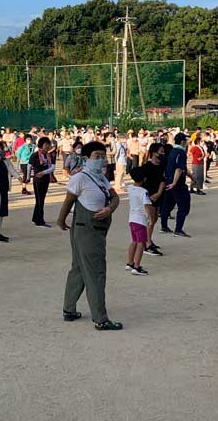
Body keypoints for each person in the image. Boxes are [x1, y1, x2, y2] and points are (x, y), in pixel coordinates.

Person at [56, 141, 123, 331]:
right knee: (96, 273)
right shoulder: (80, 178)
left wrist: (110, 209)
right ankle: (100, 319)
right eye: (96, 156)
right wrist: (61, 220)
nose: (101, 160)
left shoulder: (100, 177)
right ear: (85, 158)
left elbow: (115, 197)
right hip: (86, 229)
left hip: (94, 229)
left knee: (79, 268)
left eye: (103, 156)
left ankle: (69, 309)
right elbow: (68, 201)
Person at [160, 133, 192, 238]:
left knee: (167, 204)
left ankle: (164, 226)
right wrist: (174, 182)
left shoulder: (172, 151)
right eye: (186, 141)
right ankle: (178, 229)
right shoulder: (181, 152)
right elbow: (179, 169)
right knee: (184, 205)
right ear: (182, 142)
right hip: (177, 183)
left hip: (168, 180)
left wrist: (192, 177)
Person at [125, 166, 152, 276]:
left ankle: (130, 262)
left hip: (132, 218)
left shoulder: (130, 188)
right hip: (140, 220)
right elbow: (146, 205)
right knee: (141, 243)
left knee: (134, 241)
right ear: (144, 178)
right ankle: (137, 266)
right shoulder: (144, 192)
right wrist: (150, 217)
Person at [141, 144, 165, 256]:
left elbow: (162, 180)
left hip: (158, 195)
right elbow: (141, 182)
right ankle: (147, 244)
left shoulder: (161, 165)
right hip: (148, 196)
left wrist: (159, 193)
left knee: (154, 219)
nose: (163, 154)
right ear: (154, 153)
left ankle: (148, 239)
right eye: (161, 151)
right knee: (150, 220)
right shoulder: (147, 166)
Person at [29, 137, 54, 228]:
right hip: (38, 180)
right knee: (39, 200)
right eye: (45, 145)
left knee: (41, 199)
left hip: (45, 179)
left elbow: (52, 167)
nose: (47, 146)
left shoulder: (49, 155)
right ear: (41, 145)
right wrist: (28, 177)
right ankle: (40, 220)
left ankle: (36, 218)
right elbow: (29, 166)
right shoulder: (35, 155)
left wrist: (44, 172)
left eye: (48, 145)